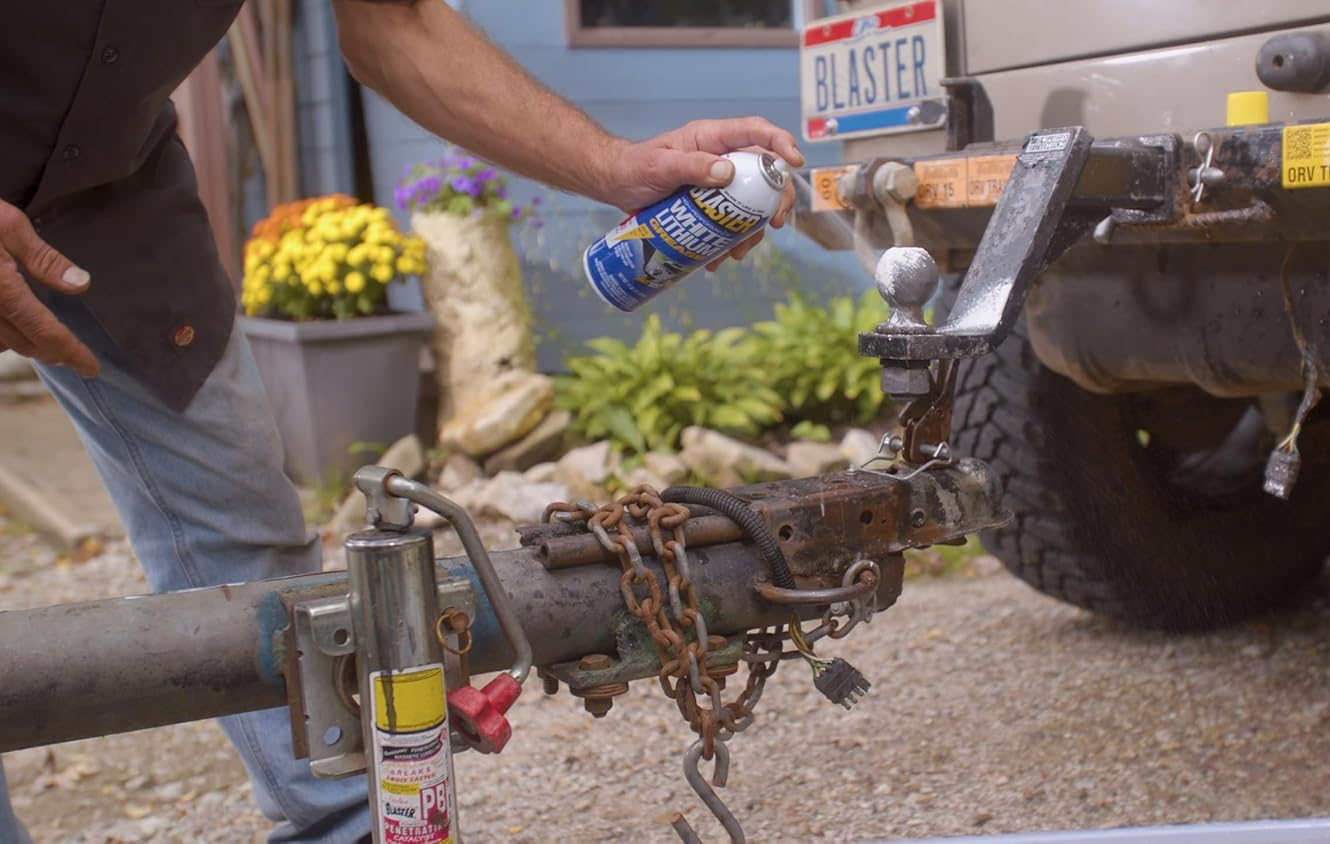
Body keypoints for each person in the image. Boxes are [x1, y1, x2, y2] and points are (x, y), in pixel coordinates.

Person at [0, 1, 803, 841]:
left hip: (111, 195)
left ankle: (348, 825)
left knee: (249, 541)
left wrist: (616, 166)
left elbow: (398, 22)